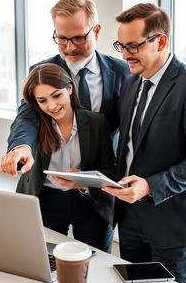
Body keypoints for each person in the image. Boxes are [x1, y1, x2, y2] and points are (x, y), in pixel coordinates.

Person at [102, 3, 186, 283]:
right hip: (129, 219)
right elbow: (126, 148)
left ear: (161, 41)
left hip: (173, 225)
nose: (125, 54)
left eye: (133, 46)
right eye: (121, 45)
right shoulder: (130, 83)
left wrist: (150, 186)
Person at [0, 0, 130, 176]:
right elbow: (27, 116)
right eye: (62, 38)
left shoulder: (123, 71)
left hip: (100, 182)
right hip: (50, 179)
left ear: (97, 31)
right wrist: (21, 147)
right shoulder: (40, 71)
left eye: (78, 38)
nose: (69, 48)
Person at [10, 63, 116, 253]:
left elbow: (109, 169)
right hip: (45, 200)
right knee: (45, 260)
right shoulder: (35, 126)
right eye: (42, 100)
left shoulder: (97, 122)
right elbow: (21, 137)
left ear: (69, 89)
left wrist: (84, 183)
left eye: (56, 95)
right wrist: (18, 153)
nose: (51, 106)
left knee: (97, 260)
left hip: (89, 202)